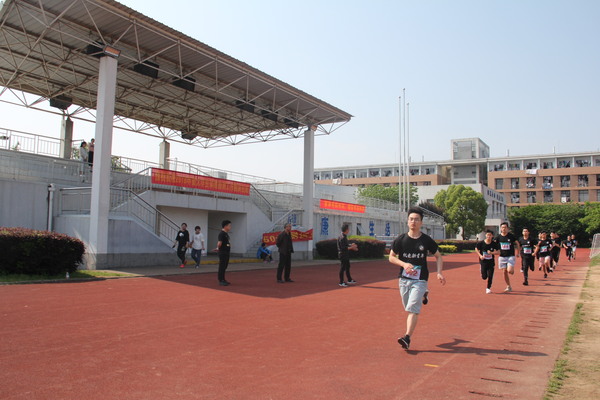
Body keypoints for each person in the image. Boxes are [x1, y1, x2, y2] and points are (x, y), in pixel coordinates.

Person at [389, 207, 446, 350]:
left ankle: (407, 338)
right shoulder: (401, 239)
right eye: (411, 219)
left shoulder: (426, 240)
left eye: (416, 219)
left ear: (421, 222)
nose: (413, 222)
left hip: (420, 279)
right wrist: (404, 264)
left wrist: (439, 272)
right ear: (407, 221)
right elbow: (391, 257)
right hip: (404, 279)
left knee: (413, 309)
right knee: (408, 308)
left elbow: (438, 256)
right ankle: (424, 294)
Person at [495, 222, 520, 293]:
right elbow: (494, 244)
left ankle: (511, 269)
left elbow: (517, 243)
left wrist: (518, 252)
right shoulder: (498, 237)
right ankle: (508, 286)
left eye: (505, 227)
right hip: (502, 257)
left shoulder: (511, 236)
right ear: (500, 228)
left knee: (509, 271)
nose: (504, 229)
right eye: (502, 227)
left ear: (507, 228)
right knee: (504, 272)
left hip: (510, 256)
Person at [216, 220, 232, 286]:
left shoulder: (226, 234)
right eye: (229, 225)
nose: (230, 227)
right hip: (223, 252)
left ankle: (223, 279)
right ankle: (221, 280)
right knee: (222, 266)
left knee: (225, 266)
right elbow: (219, 243)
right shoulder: (222, 234)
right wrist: (218, 248)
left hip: (226, 252)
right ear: (225, 226)